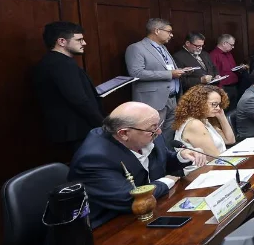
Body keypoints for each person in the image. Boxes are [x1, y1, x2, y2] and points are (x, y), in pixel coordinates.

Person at [68, 102, 206, 229]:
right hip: (109, 228)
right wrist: (167, 181)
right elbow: (131, 199)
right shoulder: (94, 158)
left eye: (158, 125)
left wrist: (181, 157)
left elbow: (162, 160)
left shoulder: (147, 134)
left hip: (150, 212)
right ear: (124, 133)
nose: (158, 132)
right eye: (153, 128)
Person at [33, 21, 105, 156]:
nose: (84, 43)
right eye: (79, 40)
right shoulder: (60, 64)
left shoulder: (53, 61)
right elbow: (78, 99)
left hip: (69, 130)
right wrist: (103, 123)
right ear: (62, 41)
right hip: (76, 131)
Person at [125, 18, 187, 134]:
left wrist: (180, 71)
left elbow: (166, 68)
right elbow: (136, 73)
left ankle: (167, 153)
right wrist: (170, 74)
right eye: (169, 31)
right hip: (153, 100)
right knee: (152, 135)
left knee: (170, 134)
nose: (171, 35)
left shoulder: (163, 48)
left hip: (172, 98)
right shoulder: (136, 48)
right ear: (157, 31)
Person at [172, 85, 236, 159]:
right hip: (204, 169)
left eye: (219, 104)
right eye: (214, 104)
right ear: (199, 103)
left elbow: (230, 140)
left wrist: (222, 117)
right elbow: (214, 157)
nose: (218, 108)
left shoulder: (204, 119)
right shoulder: (195, 124)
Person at [209, 34, 248, 104]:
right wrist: (220, 90)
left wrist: (240, 68)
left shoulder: (229, 53)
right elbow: (215, 73)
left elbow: (231, 69)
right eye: (231, 45)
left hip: (234, 86)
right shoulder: (213, 55)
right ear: (224, 43)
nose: (233, 47)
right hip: (224, 88)